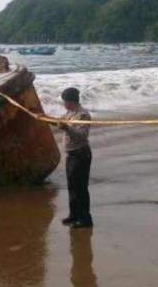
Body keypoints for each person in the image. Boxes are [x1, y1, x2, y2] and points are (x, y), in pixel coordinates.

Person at [58, 87, 93, 228]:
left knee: (81, 188)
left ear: (71, 101)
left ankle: (85, 219)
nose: (63, 104)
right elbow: (59, 122)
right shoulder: (69, 113)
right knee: (72, 186)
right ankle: (74, 214)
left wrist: (67, 128)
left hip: (81, 154)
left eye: (65, 101)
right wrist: (44, 118)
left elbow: (82, 135)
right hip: (71, 154)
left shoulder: (83, 115)